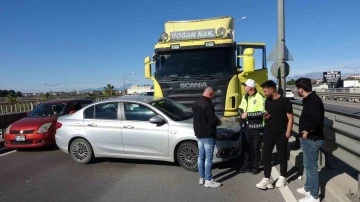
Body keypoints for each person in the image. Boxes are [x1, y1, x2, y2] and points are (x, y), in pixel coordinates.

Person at [256, 80, 293, 190]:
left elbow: (290, 118)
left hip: (281, 133)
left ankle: (283, 176)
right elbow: (267, 113)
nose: (264, 92)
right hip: (269, 132)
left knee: (282, 156)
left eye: (265, 90)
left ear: (272, 90)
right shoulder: (267, 101)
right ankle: (267, 178)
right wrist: (266, 116)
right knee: (266, 155)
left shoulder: (285, 102)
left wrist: (288, 132)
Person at [295, 78, 324, 202]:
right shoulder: (309, 99)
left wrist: (308, 130)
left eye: (297, 89)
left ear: (301, 89)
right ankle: (307, 188)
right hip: (308, 139)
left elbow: (316, 118)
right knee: (307, 164)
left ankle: (314, 196)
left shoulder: (313, 100)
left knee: (312, 168)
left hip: (312, 139)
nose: (296, 91)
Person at [192, 86, 222, 188]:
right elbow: (212, 120)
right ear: (210, 93)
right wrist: (218, 121)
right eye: (213, 95)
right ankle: (208, 180)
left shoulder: (195, 103)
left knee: (201, 156)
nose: (213, 97)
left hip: (199, 134)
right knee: (208, 159)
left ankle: (202, 177)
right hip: (208, 135)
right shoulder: (208, 104)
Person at [237, 79, 265, 175]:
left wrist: (248, 114)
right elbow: (240, 108)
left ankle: (255, 166)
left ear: (250, 87)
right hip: (246, 126)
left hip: (256, 127)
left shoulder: (260, 97)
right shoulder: (245, 97)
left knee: (256, 148)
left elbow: (263, 112)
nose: (244, 87)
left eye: (245, 85)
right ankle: (246, 165)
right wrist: (241, 114)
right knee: (246, 147)